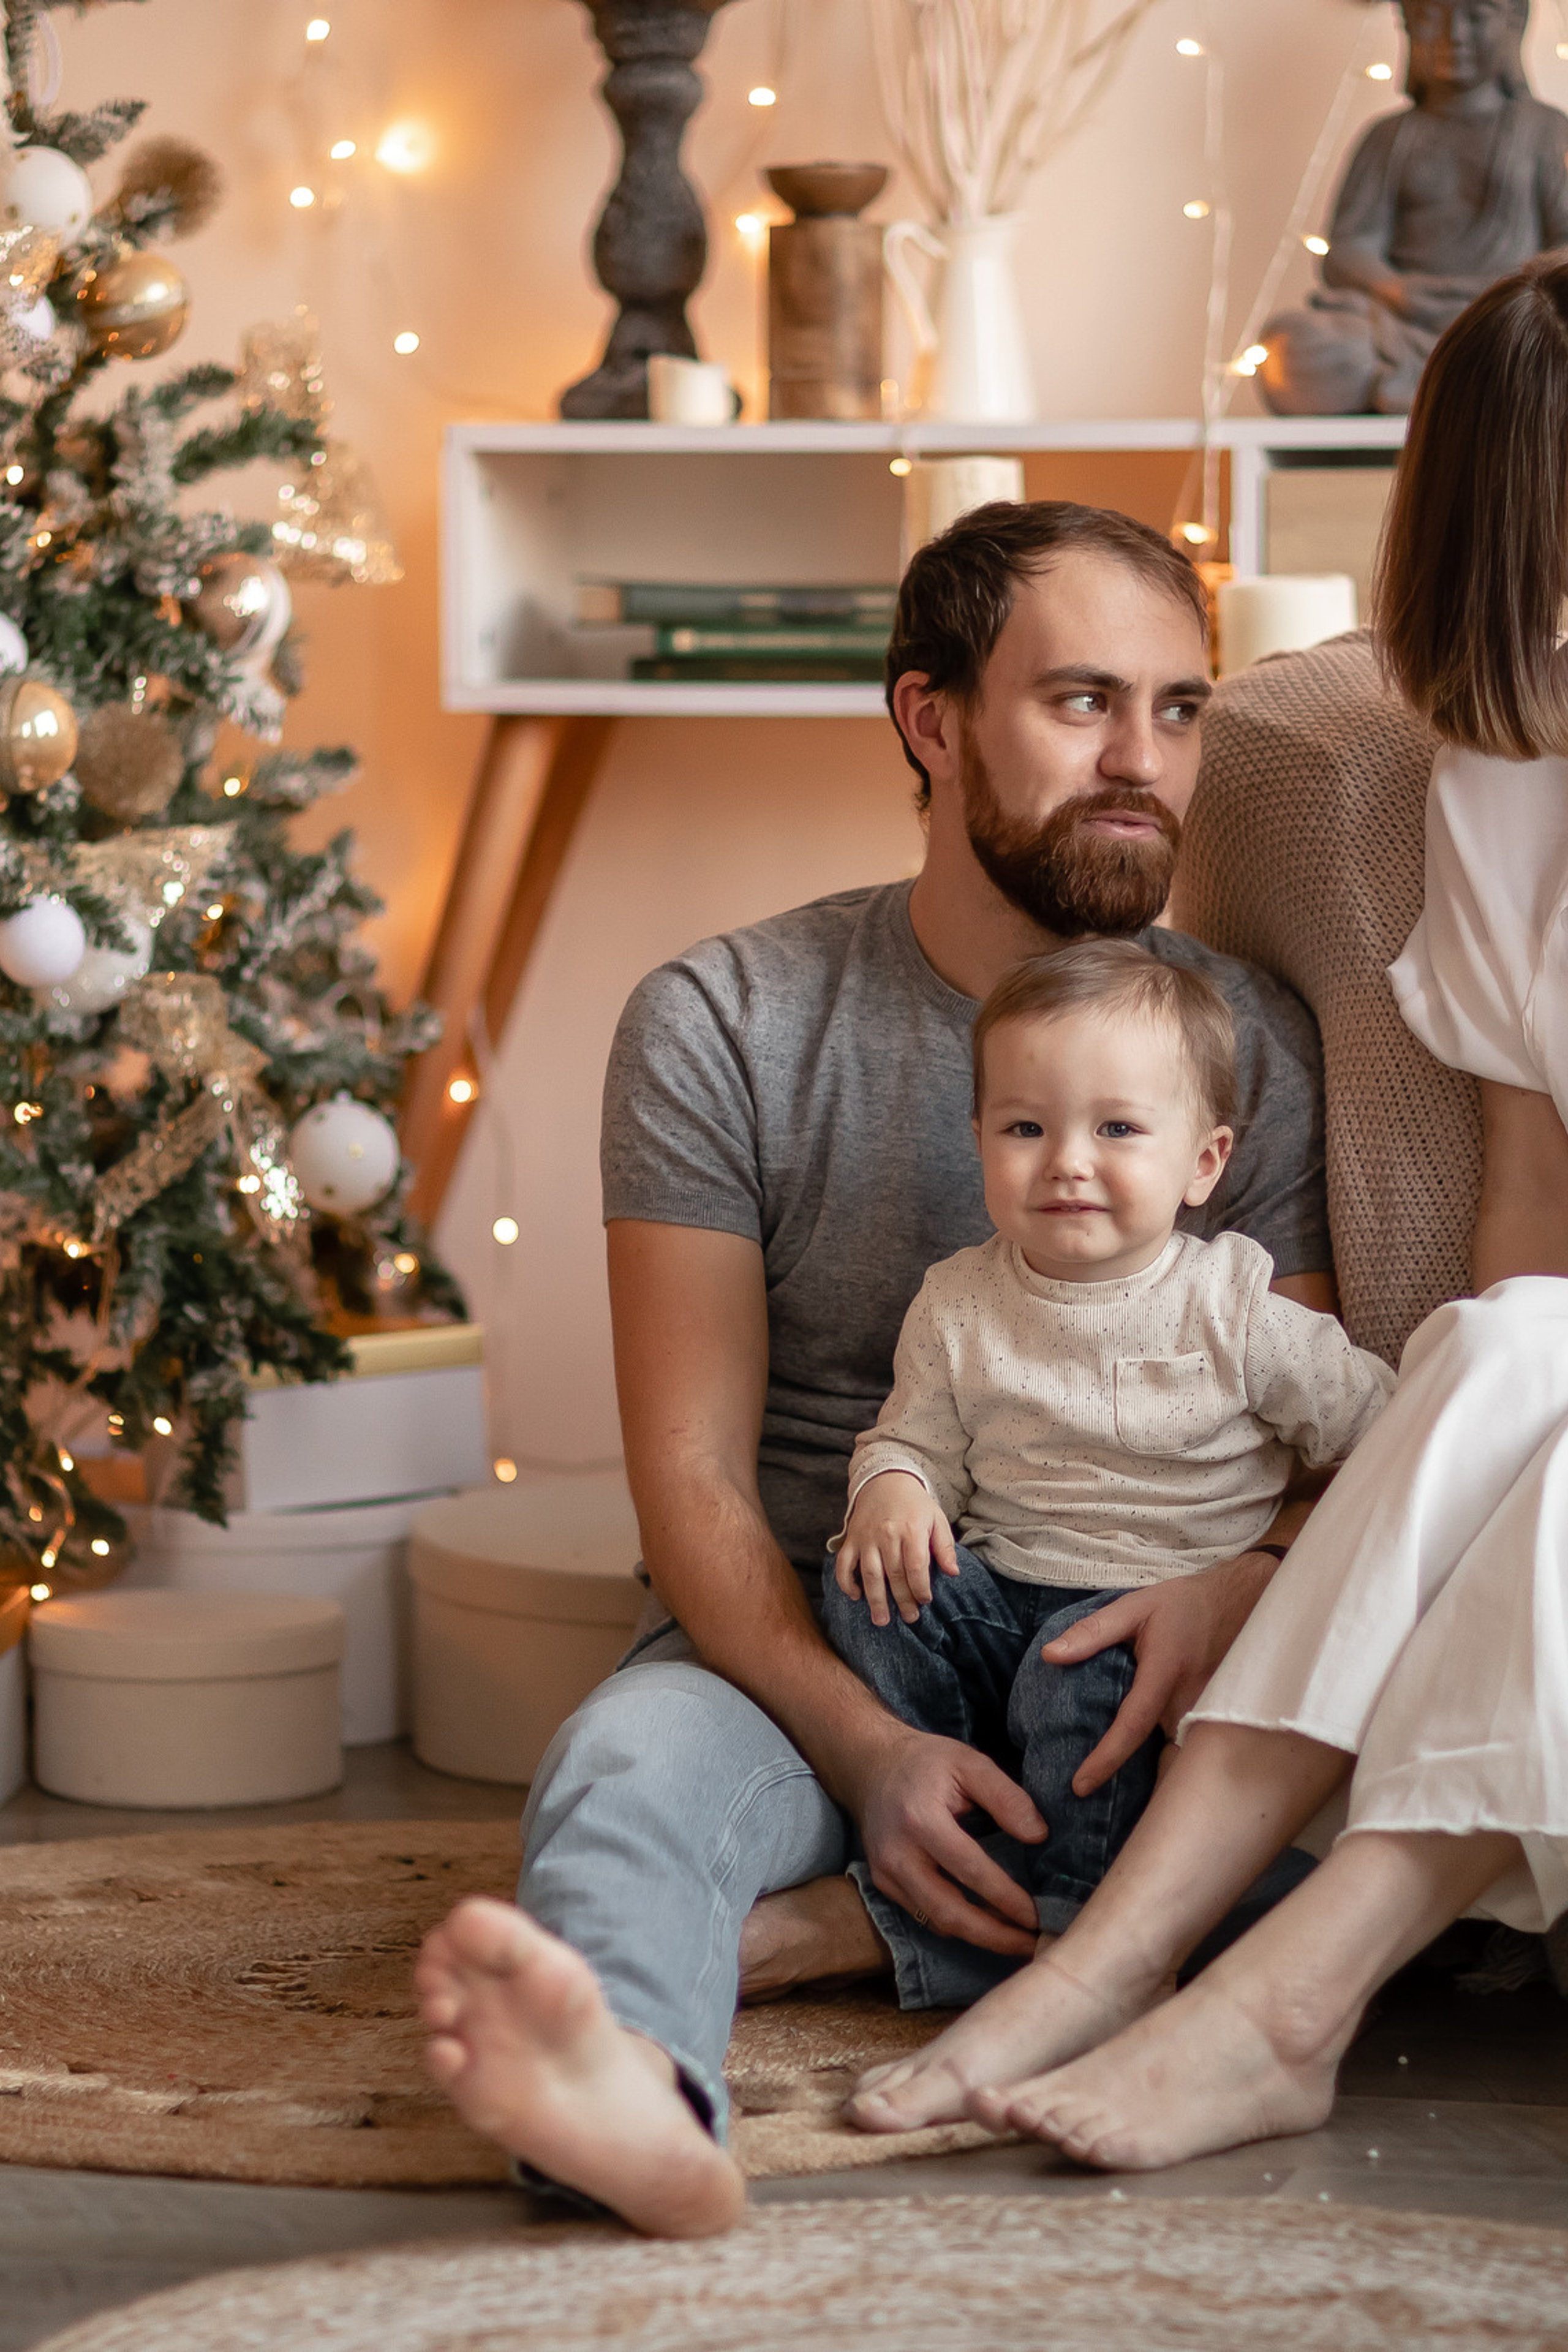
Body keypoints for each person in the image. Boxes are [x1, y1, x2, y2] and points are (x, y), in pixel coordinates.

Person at [414, 500, 1336, 2237]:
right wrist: (862, 1751)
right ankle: (630, 2101)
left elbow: (1315, 1429)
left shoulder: (1242, 1044)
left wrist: (1244, 1584)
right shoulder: (724, 1021)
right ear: (932, 719)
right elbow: (692, 1479)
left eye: (1177, 709)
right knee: (621, 1772)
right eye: (1080, 701)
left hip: (1140, 1665)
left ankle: (841, 1936)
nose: (1142, 762)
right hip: (805, 1643)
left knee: (1334, 1838)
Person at [837, 251, 1568, 2174]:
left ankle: (1273, 2002)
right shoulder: (1506, 783)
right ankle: (1119, 1960)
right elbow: (1529, 1219)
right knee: (1508, 1343)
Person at [823, 943, 1392, 1973]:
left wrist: (1278, 1571)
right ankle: (963, 1798)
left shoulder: (1232, 1308)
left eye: (1118, 1128)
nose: (1067, 1161)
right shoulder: (958, 1300)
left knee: (1079, 1675)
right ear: (980, 1141)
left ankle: (1076, 1920)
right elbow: (913, 1438)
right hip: (1001, 1599)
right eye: (1026, 1129)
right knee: (866, 1584)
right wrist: (894, 1490)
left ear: (1204, 1163)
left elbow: (1390, 1433)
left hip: (1146, 1623)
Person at [1260, 0, 1568, 417]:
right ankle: (1458, 385)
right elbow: (1346, 251)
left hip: (1514, 324)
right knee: (1290, 351)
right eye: (1430, 19)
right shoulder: (1388, 137)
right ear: (1406, 26)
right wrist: (1394, 289)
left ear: (1514, 22)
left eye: (1476, 17)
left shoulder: (1547, 131)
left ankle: (1461, 380)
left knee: (1550, 337)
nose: (1453, 36)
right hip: (1404, 328)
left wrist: (1507, 290)